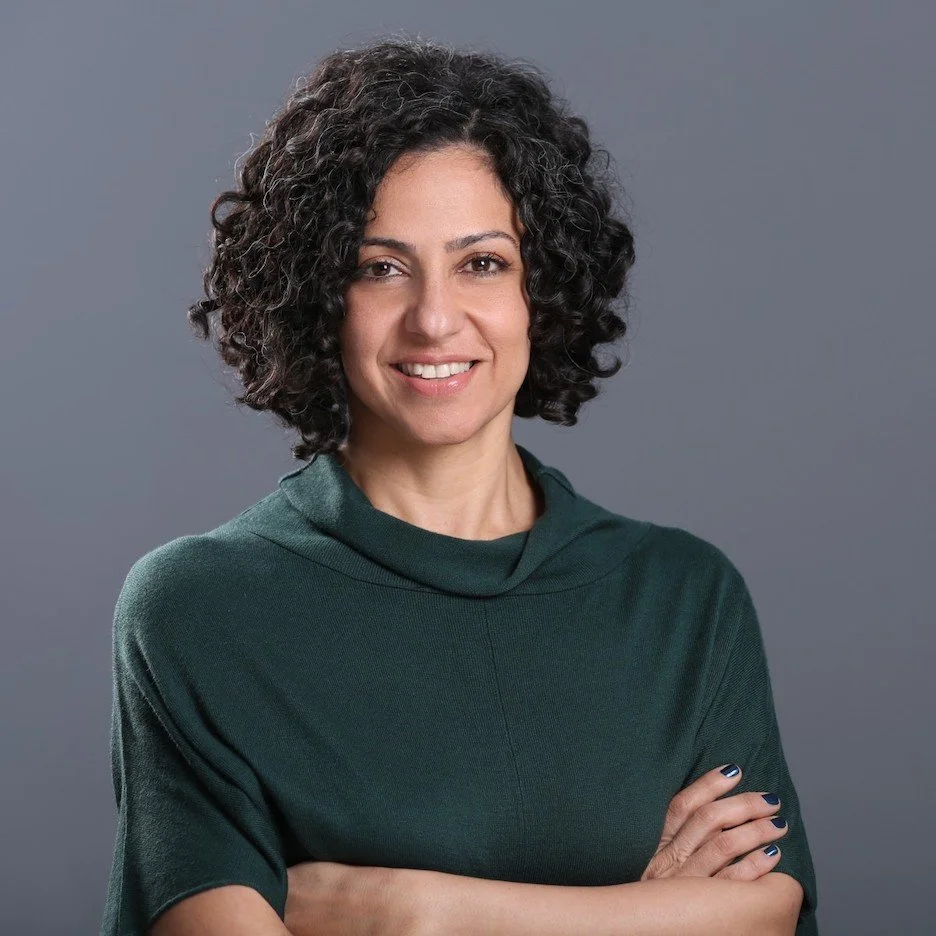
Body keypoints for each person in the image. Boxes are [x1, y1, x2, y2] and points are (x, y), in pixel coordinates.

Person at [100, 34, 819, 936]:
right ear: (317, 297)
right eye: (380, 267)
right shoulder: (198, 608)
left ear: (540, 291)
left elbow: (767, 916)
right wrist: (647, 914)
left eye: (483, 263)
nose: (435, 318)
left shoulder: (682, 598)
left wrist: (416, 911)